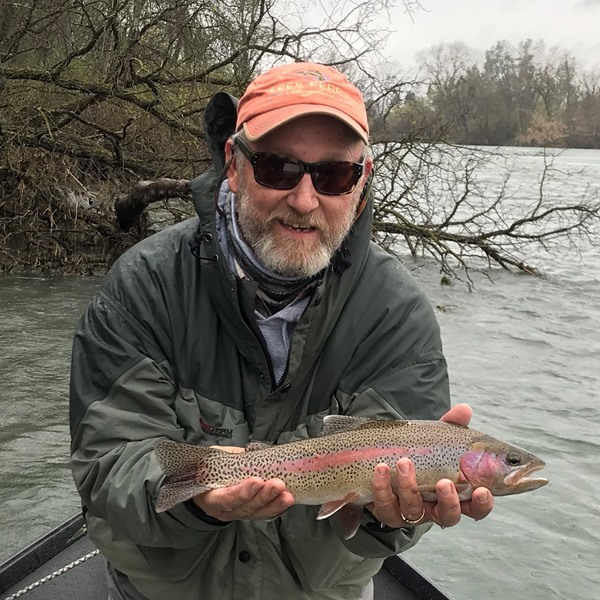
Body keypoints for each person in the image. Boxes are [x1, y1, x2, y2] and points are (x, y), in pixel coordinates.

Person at [69, 62, 494, 600]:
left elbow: (386, 521)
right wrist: (200, 496)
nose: (304, 199)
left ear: (361, 185)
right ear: (233, 163)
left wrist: (395, 519)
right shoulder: (143, 286)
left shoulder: (398, 315)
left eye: (334, 175)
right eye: (278, 168)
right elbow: (107, 466)